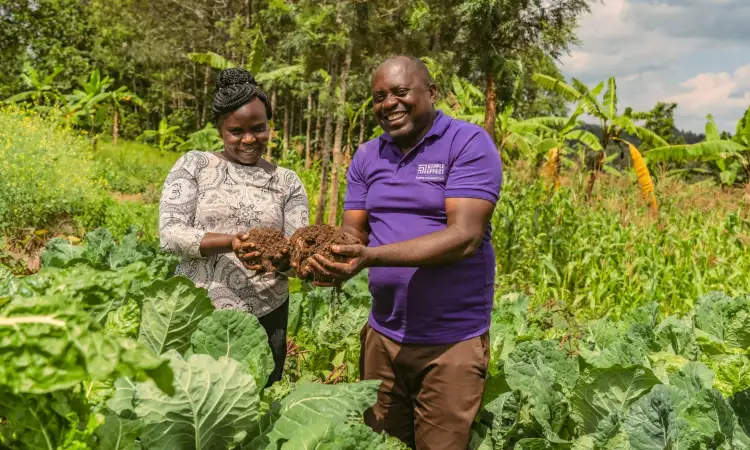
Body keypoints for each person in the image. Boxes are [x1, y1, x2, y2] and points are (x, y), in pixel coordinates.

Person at [301, 55, 503, 449]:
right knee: (379, 445)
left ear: (431, 93)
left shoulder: (467, 143)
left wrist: (372, 257)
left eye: (400, 92)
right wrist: (328, 256)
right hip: (383, 338)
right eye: (379, 97)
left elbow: (464, 236)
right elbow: (353, 232)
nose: (388, 103)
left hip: (450, 343)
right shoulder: (367, 156)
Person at [159, 67, 309, 387]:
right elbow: (170, 234)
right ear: (220, 129)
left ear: (269, 125)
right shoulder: (195, 165)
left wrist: (284, 260)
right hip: (199, 314)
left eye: (258, 128)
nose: (249, 139)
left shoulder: (287, 182)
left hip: (266, 317)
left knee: (258, 412)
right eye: (236, 131)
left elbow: (299, 255)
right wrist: (233, 242)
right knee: (196, 403)